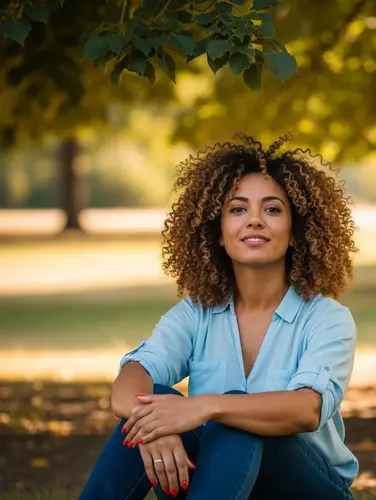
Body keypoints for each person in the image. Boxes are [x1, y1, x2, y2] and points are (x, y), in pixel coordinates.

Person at [80, 133, 358, 500]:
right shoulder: (196, 313)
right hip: (218, 481)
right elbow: (129, 383)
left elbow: (306, 409)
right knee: (154, 402)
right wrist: (154, 429)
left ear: (295, 233)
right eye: (238, 209)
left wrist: (207, 406)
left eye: (272, 209)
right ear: (218, 233)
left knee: (233, 416)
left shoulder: (327, 318)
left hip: (306, 489)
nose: (255, 220)